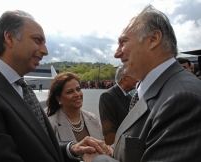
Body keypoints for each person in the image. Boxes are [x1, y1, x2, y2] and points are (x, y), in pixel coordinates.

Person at [0, 10, 111, 161]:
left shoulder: (21, 89)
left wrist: (71, 149)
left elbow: (38, 149)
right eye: (37, 40)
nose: (45, 51)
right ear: (10, 38)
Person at [83, 5, 201, 162]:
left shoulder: (183, 97)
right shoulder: (156, 90)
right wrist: (113, 152)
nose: (117, 53)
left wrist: (98, 159)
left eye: (123, 42)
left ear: (153, 39)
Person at [47, 72, 104, 143]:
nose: (77, 94)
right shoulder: (51, 124)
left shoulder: (92, 118)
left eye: (78, 89)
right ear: (59, 99)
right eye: (70, 92)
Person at [99, 66, 138, 145]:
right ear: (125, 79)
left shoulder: (129, 97)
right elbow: (109, 130)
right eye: (135, 76)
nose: (137, 80)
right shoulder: (108, 96)